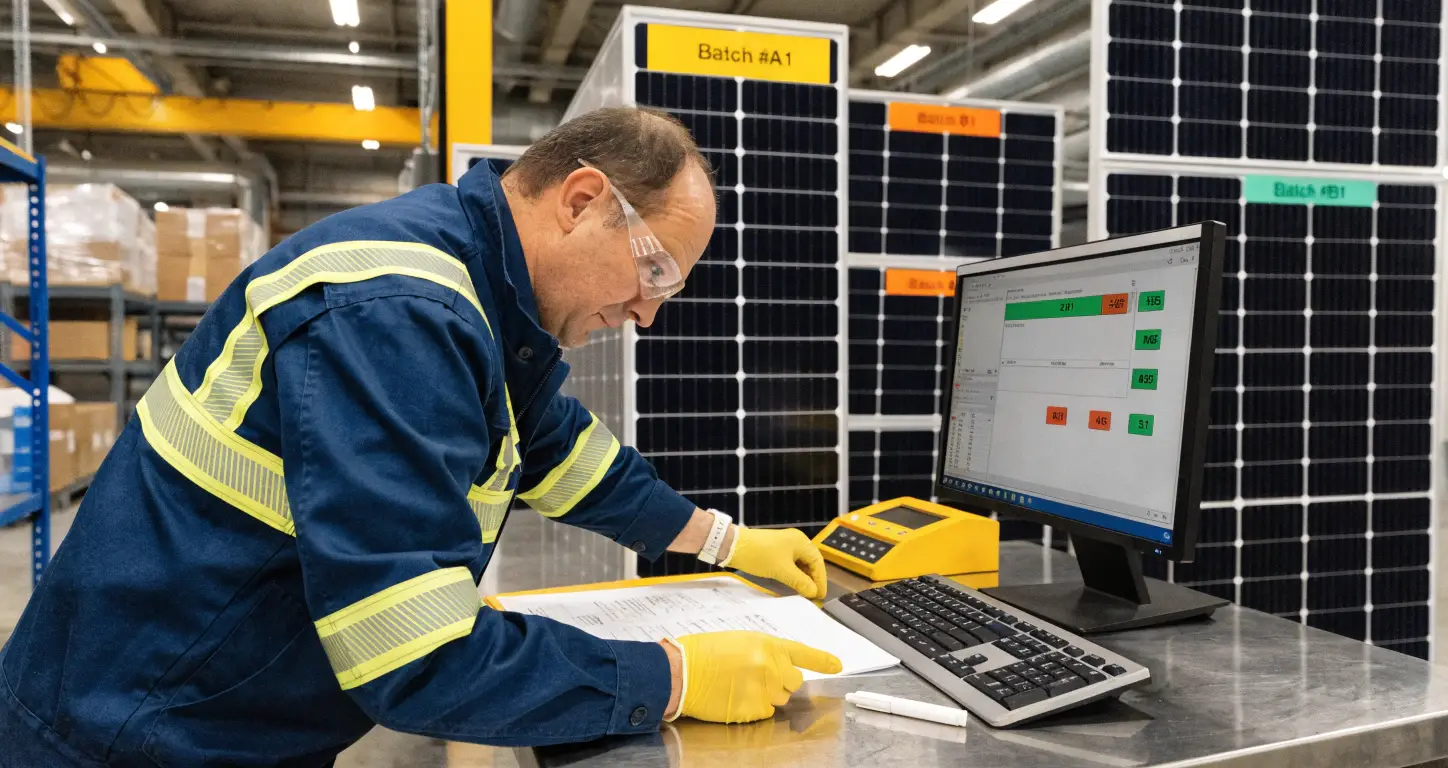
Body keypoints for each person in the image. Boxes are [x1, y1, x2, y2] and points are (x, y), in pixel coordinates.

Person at [0, 106, 840, 768]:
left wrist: (726, 542)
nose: (649, 313)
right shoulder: (396, 312)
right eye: (655, 270)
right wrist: (672, 678)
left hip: (211, 712)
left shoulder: (482, 293)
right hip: (131, 732)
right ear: (583, 201)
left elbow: (564, 456)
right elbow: (412, 654)